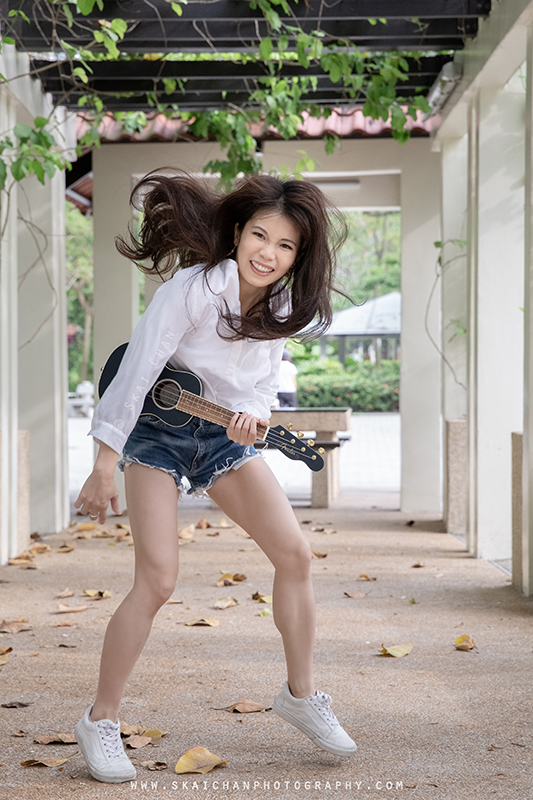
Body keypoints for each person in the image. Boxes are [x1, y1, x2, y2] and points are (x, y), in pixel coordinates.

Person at [73, 170, 356, 784]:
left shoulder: (281, 307)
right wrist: (102, 463)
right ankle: (100, 720)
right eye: (260, 235)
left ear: (298, 256)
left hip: (219, 434)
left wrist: (254, 417)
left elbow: (260, 383)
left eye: (285, 246)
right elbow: (138, 368)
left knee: (296, 554)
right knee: (158, 579)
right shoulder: (195, 288)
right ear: (236, 233)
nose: (268, 254)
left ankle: (301, 697)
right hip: (155, 430)